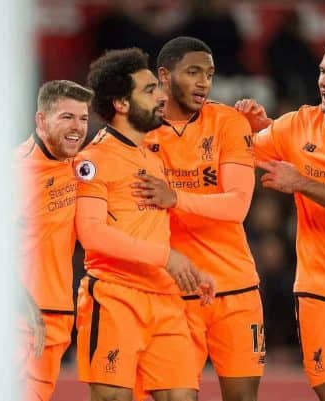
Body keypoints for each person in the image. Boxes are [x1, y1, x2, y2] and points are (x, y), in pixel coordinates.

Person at [235, 35, 325, 401]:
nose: (324, 81)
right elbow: (240, 149)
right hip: (320, 290)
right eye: (322, 71)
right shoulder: (297, 125)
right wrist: (244, 128)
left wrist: (302, 182)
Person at [74, 47, 215, 401]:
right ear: (121, 104)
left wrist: (190, 268)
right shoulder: (92, 160)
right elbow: (90, 232)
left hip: (165, 298)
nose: (162, 96)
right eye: (150, 90)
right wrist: (167, 257)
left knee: (184, 396)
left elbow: (145, 228)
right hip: (115, 297)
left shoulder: (151, 157)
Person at [131, 36, 264, 401]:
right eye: (193, 72)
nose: (204, 82)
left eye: (210, 73)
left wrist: (174, 198)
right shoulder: (138, 131)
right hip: (171, 290)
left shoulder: (228, 122)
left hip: (234, 288)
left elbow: (237, 205)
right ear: (164, 75)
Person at [15, 79, 93, 401]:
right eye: (66, 117)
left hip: (58, 317)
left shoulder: (79, 166)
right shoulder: (14, 171)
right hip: (15, 315)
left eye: (83, 118)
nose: (77, 127)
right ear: (41, 120)